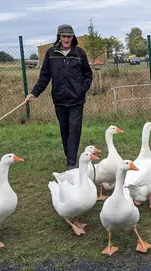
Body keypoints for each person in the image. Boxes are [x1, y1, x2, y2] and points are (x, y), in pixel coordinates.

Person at [25, 24, 93, 170]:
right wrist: (34, 93)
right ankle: (69, 156)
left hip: (76, 100)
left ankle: (71, 164)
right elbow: (44, 77)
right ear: (59, 37)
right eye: (64, 36)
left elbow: (88, 75)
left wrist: (82, 89)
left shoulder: (79, 54)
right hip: (59, 99)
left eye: (69, 36)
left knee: (74, 129)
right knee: (65, 130)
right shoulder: (51, 53)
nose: (66, 39)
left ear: (73, 37)